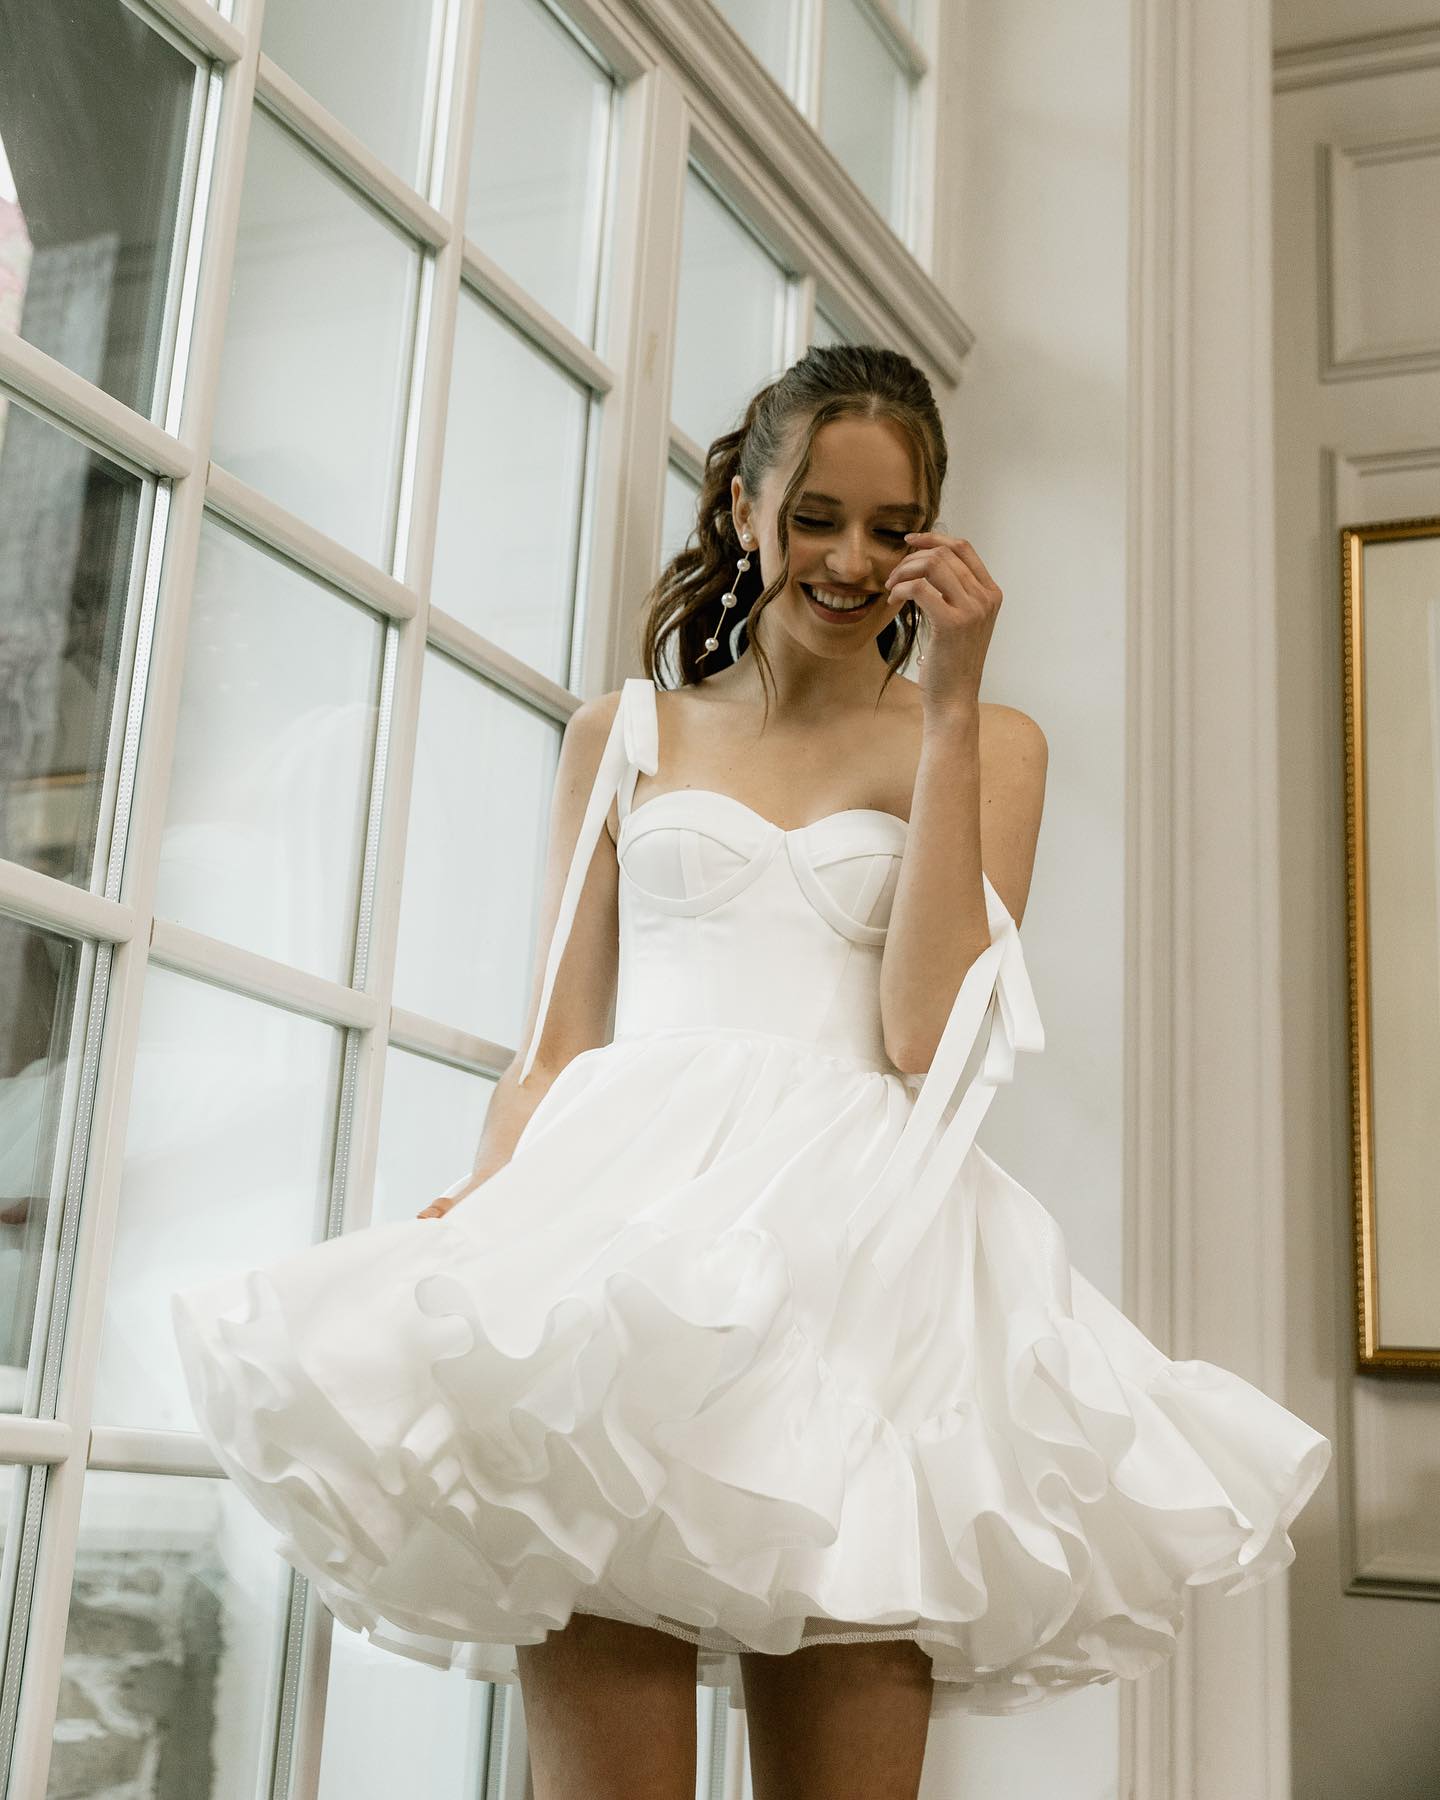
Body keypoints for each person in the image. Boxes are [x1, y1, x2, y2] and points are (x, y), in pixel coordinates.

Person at [172, 345, 1331, 1800]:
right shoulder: (628, 732)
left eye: (893, 526)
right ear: (741, 507)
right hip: (620, 1263)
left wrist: (956, 705)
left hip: (863, 1279)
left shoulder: (990, 744)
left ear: (934, 543)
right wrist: (484, 1206)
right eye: (816, 516)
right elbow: (557, 1039)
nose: (851, 558)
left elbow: (925, 1037)